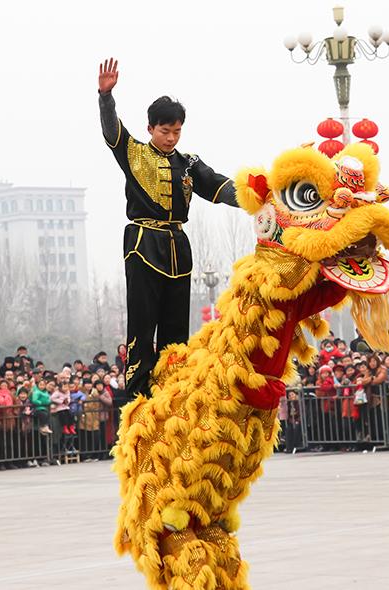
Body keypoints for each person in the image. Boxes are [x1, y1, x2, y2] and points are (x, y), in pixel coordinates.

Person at [97, 57, 239, 399]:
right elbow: (112, 131)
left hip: (178, 248)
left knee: (176, 328)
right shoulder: (134, 153)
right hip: (144, 245)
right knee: (143, 323)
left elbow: (220, 187)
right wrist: (105, 97)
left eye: (177, 131)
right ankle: (139, 397)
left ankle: (174, 391)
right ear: (150, 128)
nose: (171, 138)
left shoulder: (189, 164)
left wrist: (259, 193)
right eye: (165, 131)